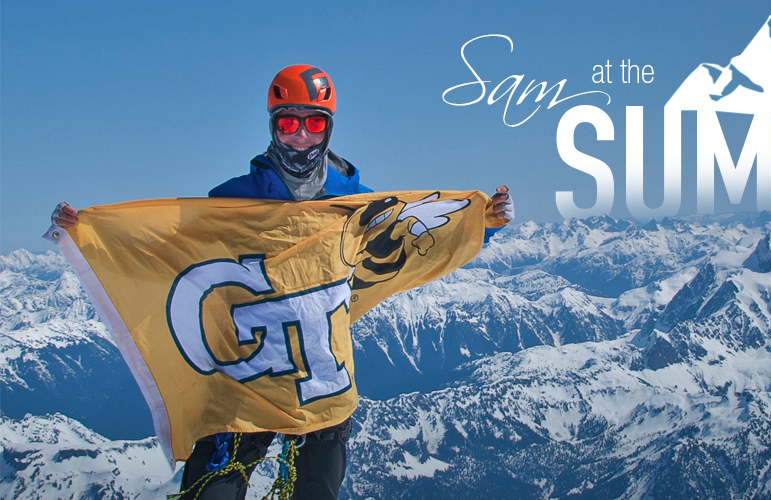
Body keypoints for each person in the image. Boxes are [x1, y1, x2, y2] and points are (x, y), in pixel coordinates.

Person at [51, 64, 513, 500]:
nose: (300, 136)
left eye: (313, 124)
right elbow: (167, 257)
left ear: (329, 127)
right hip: (243, 383)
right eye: (288, 124)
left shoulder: (353, 204)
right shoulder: (231, 203)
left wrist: (484, 222)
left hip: (320, 382)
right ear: (273, 126)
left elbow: (411, 239)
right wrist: (87, 234)